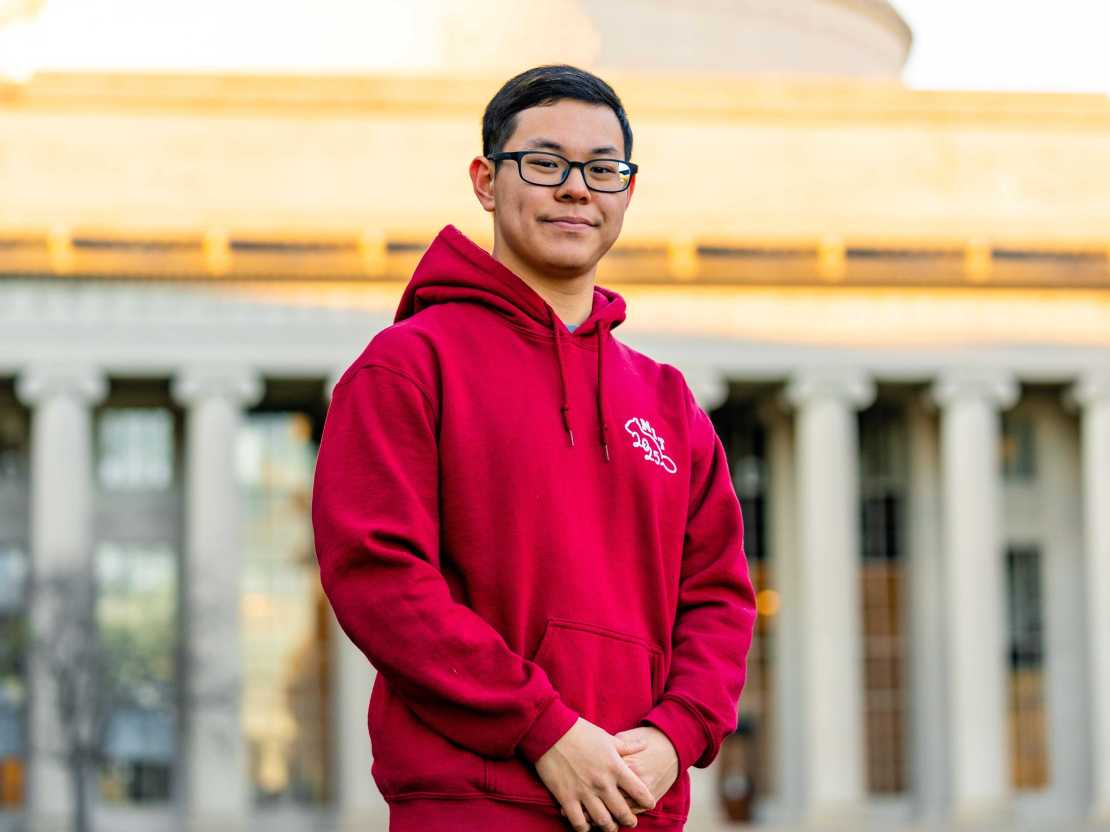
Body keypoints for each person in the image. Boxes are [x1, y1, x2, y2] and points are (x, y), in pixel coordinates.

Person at [311, 63, 757, 832]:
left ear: (625, 192)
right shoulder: (408, 368)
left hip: (636, 804)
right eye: (544, 164)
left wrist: (674, 734)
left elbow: (719, 596)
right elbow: (382, 579)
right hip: (472, 805)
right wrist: (541, 727)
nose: (576, 188)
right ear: (487, 182)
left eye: (601, 169)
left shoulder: (669, 402)